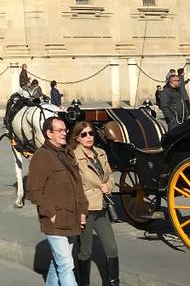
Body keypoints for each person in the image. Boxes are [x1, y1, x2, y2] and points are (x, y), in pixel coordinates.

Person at [26, 116, 88, 286]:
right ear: (49, 133)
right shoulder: (41, 156)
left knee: (58, 264)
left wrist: (82, 211)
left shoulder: (67, 154)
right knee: (67, 266)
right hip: (55, 222)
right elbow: (33, 191)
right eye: (59, 130)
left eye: (65, 130)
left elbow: (78, 187)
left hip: (72, 218)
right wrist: (50, 214)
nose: (64, 133)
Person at [70, 121, 119, 286]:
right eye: (83, 134)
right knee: (85, 251)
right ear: (77, 138)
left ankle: (113, 283)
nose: (88, 137)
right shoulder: (74, 157)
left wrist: (109, 185)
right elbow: (74, 187)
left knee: (112, 248)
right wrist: (79, 212)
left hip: (102, 207)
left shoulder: (101, 153)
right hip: (86, 208)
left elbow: (110, 176)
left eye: (91, 133)